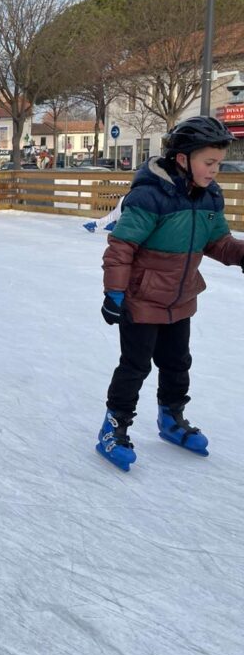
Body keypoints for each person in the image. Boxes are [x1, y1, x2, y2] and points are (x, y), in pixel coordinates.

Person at [96, 116, 244, 471]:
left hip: (181, 299)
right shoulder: (150, 196)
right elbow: (122, 246)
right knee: (135, 366)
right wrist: (114, 293)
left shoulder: (210, 196)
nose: (215, 170)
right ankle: (113, 427)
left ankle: (171, 418)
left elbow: (218, 242)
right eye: (209, 162)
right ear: (182, 159)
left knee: (178, 363)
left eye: (218, 163)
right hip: (142, 300)